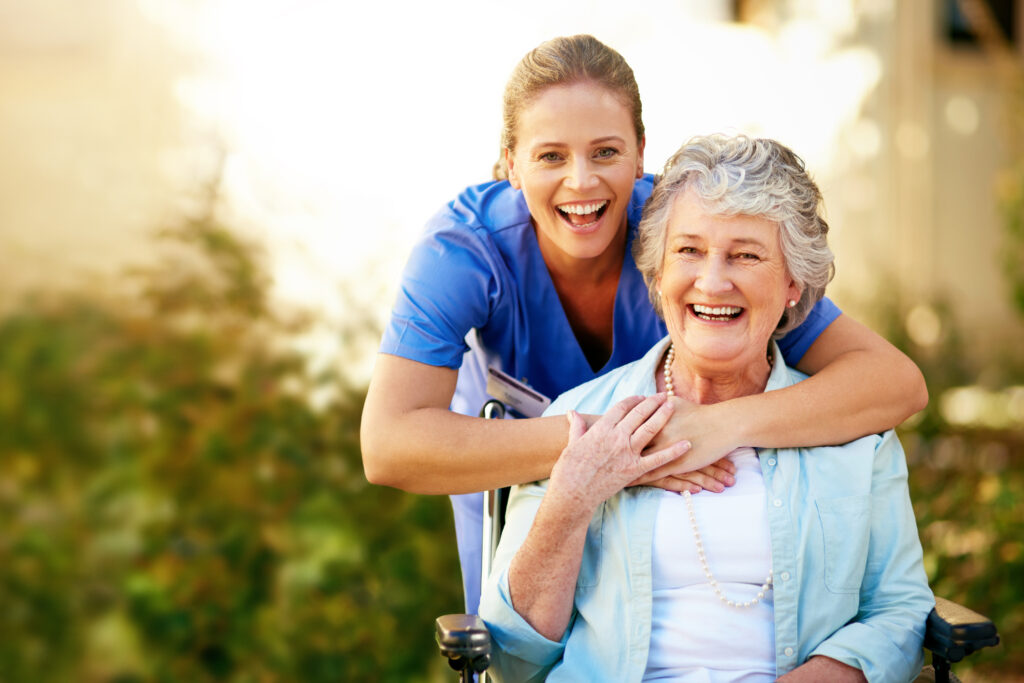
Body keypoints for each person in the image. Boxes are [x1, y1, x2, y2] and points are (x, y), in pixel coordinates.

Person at [359, 35, 928, 615]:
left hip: (683, 518)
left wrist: (716, 426)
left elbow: (893, 382)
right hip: (517, 485)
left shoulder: (691, 246)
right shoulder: (463, 251)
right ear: (512, 163)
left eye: (605, 152)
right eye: (550, 156)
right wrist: (618, 447)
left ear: (640, 153)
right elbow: (389, 446)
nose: (581, 181)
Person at [478, 134, 934, 682]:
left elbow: (900, 613)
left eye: (746, 255)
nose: (713, 281)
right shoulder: (579, 416)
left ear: (793, 283)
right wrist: (573, 495)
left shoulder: (856, 433)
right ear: (657, 272)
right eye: (689, 251)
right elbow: (512, 655)